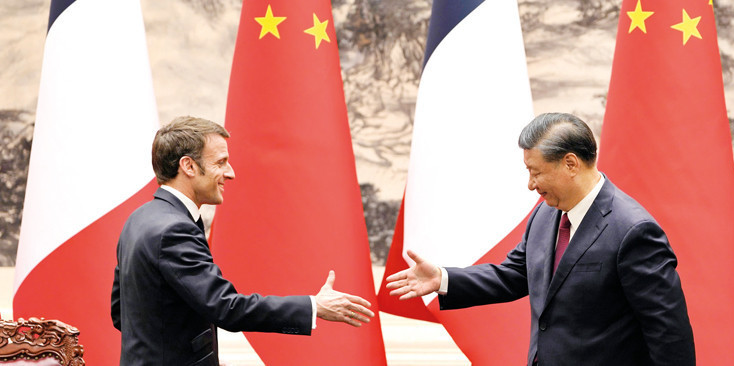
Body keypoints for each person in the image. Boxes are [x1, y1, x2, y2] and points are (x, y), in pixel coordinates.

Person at [386, 112, 695, 366]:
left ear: (570, 164)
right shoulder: (546, 213)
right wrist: (442, 278)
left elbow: (668, 332)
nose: (531, 184)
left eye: (536, 172)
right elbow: (514, 274)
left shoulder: (633, 231)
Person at [111, 116, 374, 365]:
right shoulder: (175, 229)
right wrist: (313, 306)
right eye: (220, 162)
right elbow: (226, 307)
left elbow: (122, 313)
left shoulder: (138, 219)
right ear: (188, 166)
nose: (231, 173)